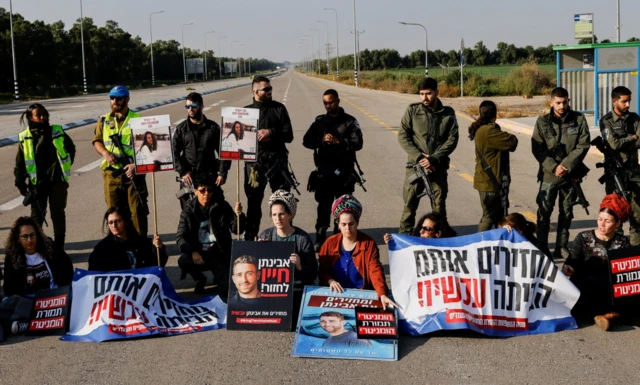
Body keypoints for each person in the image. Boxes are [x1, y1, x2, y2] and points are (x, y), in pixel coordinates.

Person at [531, 87, 590, 259]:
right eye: (558, 102)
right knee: (544, 212)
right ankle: (542, 245)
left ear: (568, 101)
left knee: (566, 212)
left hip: (570, 175)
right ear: (551, 102)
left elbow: (583, 144)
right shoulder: (542, 122)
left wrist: (565, 165)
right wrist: (553, 167)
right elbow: (538, 148)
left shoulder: (578, 119)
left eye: (564, 102)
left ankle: (561, 246)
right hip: (549, 175)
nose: (562, 106)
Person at [303, 89, 364, 251]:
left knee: (344, 208)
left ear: (338, 101)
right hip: (324, 172)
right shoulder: (320, 121)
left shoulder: (350, 121)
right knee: (323, 207)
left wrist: (340, 141)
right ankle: (320, 239)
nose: (328, 106)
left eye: (331, 102)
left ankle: (340, 239)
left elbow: (358, 144)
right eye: (325, 103)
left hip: (344, 173)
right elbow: (306, 141)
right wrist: (321, 140)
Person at [562, 194, 633, 331]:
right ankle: (609, 315)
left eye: (607, 221)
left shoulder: (622, 242)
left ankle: (606, 316)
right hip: (586, 285)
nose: (602, 224)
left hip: (608, 287)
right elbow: (572, 259)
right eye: (600, 219)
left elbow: (626, 273)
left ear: (617, 224)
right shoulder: (583, 237)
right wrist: (569, 267)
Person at [398, 77, 459, 234]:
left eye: (428, 93)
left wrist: (434, 158)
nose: (424, 98)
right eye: (421, 94)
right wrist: (419, 157)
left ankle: (440, 242)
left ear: (437, 93)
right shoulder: (412, 111)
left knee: (439, 209)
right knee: (409, 207)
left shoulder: (448, 114)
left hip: (436, 168)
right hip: (415, 167)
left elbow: (452, 140)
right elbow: (403, 136)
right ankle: (404, 243)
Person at [14, 104, 76, 252]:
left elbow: (71, 148)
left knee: (58, 213)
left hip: (57, 181)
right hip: (37, 184)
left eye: (45, 114)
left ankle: (59, 246)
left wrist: (64, 167)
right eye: (38, 115)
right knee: (37, 217)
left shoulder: (57, 131)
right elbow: (19, 163)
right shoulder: (25, 137)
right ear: (31, 118)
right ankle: (36, 246)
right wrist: (20, 183)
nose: (43, 117)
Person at [318, 195, 397, 308]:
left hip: (362, 295)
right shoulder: (329, 243)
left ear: (357, 222)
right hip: (335, 297)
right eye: (343, 224)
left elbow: (375, 271)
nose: (347, 228)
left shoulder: (368, 243)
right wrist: (330, 280)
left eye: (351, 224)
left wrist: (382, 294)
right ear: (338, 225)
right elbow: (322, 270)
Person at [93, 85, 149, 237]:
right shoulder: (104, 120)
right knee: (114, 215)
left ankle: (140, 246)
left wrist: (135, 164)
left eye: (119, 98)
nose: (115, 101)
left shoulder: (138, 120)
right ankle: (118, 247)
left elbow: (149, 148)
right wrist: (105, 153)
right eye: (112, 98)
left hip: (133, 174)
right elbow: (97, 141)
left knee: (137, 211)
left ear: (127, 99)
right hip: (112, 175)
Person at [244, 76, 294, 240]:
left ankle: (284, 237)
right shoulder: (246, 112)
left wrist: (271, 133)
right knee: (253, 203)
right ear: (256, 91)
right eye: (266, 89)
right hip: (255, 167)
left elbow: (289, 135)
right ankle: (251, 238)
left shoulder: (279, 109)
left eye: (270, 88)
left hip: (277, 163)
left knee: (282, 201)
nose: (270, 91)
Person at [176, 173, 245, 294]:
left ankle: (220, 276)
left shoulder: (222, 206)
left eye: (209, 190)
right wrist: (193, 252)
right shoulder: (188, 212)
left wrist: (239, 216)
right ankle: (199, 278)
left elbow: (237, 230)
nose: (206, 194)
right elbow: (180, 237)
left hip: (220, 253)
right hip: (200, 253)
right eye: (202, 190)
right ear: (195, 191)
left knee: (226, 289)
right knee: (183, 260)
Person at [258, 190, 318, 318]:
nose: (277, 219)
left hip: (296, 289)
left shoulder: (302, 238)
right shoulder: (266, 235)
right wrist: (257, 251)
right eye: (274, 214)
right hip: (272, 290)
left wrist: (300, 266)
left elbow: (313, 273)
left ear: (290, 215)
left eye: (282, 214)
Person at [173, 92, 231, 209]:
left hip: (209, 176)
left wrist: (222, 173)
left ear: (201, 106)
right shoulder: (181, 129)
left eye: (194, 106)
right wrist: (183, 172)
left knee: (216, 212)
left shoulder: (213, 128)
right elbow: (173, 153)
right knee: (189, 215)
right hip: (189, 179)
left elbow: (224, 152)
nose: (190, 109)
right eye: (187, 106)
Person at [599, 86, 640, 245]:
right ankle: (618, 249)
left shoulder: (635, 118)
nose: (628, 104)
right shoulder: (606, 121)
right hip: (615, 173)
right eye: (624, 101)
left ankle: (636, 252)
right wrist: (632, 138)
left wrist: (626, 140)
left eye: (629, 101)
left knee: (638, 215)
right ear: (614, 101)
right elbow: (613, 144)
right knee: (615, 213)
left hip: (634, 171)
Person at [469, 100, 518, 231]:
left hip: (488, 181)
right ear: (495, 114)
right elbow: (512, 142)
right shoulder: (489, 131)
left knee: (495, 216)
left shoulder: (483, 129)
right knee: (489, 217)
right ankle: (481, 244)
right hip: (490, 183)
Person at [3, 216, 73, 297]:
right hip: (28, 301)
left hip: (55, 296)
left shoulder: (51, 248)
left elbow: (68, 269)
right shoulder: (12, 257)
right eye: (25, 236)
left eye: (32, 235)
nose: (29, 240)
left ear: (37, 235)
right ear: (18, 239)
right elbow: (9, 289)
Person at [88, 207, 167, 272]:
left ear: (126, 221)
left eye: (118, 221)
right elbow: (94, 274)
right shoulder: (102, 248)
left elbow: (158, 265)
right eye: (110, 222)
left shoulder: (142, 242)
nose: (114, 226)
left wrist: (159, 248)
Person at [383, 211, 450, 243]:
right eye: (421, 227)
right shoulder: (413, 246)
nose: (421, 231)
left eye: (426, 229)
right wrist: (392, 242)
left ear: (438, 234)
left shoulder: (451, 250)